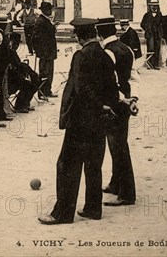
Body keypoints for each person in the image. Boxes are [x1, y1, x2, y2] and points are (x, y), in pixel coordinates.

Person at [38, 18, 119, 225]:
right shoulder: (106, 55)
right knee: (94, 165)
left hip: (81, 121)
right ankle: (93, 208)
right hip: (100, 121)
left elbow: (80, 89)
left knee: (68, 165)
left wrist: (96, 105)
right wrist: (105, 106)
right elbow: (112, 89)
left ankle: (62, 213)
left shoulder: (81, 56)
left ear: (79, 36)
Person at [96, 16, 138, 207]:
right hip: (125, 97)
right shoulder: (126, 49)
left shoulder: (107, 53)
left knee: (118, 145)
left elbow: (109, 82)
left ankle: (127, 194)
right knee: (118, 142)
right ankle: (115, 183)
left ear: (99, 33)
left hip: (115, 100)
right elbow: (130, 76)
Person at [7, 32, 40, 113]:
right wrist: (23, 76)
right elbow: (12, 69)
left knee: (36, 80)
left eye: (17, 43)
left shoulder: (13, 52)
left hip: (17, 76)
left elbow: (19, 65)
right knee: (27, 84)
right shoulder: (8, 52)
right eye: (15, 43)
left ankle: (25, 103)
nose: (16, 45)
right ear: (10, 41)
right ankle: (19, 106)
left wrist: (30, 74)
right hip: (11, 80)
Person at [31, 2, 58, 99]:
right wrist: (38, 50)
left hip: (49, 52)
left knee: (49, 72)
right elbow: (35, 37)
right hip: (44, 52)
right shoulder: (40, 21)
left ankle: (47, 91)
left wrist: (53, 27)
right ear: (44, 10)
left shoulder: (46, 20)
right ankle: (42, 93)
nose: (51, 11)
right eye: (49, 9)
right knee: (44, 73)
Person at [140, 0, 163, 69]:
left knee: (157, 49)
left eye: (155, 6)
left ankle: (155, 65)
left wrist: (160, 31)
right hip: (150, 35)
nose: (154, 7)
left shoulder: (160, 15)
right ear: (150, 7)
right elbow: (142, 24)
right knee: (150, 49)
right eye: (152, 6)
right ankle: (149, 64)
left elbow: (162, 24)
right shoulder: (146, 15)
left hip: (157, 35)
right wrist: (147, 29)